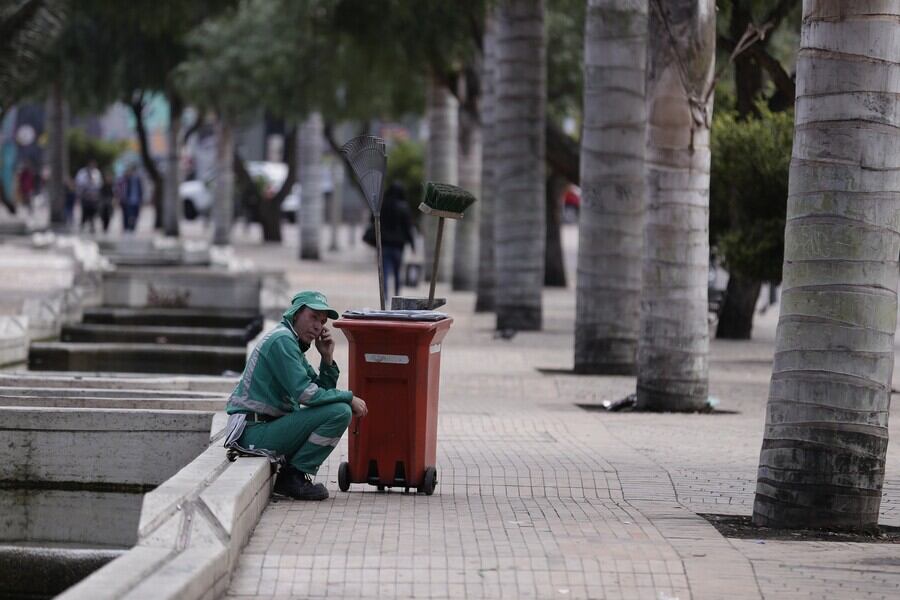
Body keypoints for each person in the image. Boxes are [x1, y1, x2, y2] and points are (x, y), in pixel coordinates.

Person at [223, 291, 368, 501]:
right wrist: (348, 397)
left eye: (322, 321)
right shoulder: (282, 340)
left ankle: (294, 475)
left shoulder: (291, 343)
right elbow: (307, 395)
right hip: (252, 431)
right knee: (340, 411)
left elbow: (318, 391)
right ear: (295, 314)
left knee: (337, 410)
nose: (318, 326)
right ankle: (293, 478)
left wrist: (327, 359)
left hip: (264, 428)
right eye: (313, 317)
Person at [376, 182, 416, 300]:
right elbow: (408, 228)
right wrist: (413, 245)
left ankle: (385, 296)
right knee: (398, 272)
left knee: (385, 273)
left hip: (385, 244)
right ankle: (397, 295)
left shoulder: (383, 206)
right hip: (399, 246)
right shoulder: (404, 207)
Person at [75, 159, 101, 233]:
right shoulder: (82, 173)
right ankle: (82, 225)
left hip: (93, 197)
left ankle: (92, 226)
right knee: (84, 212)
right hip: (85, 196)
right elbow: (79, 184)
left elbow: (99, 185)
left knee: (93, 212)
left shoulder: (97, 173)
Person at [119, 164, 143, 232]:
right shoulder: (126, 179)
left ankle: (133, 227)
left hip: (136, 200)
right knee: (129, 215)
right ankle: (128, 227)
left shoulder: (138, 179)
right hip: (128, 200)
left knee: (136, 215)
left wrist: (141, 198)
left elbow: (140, 189)